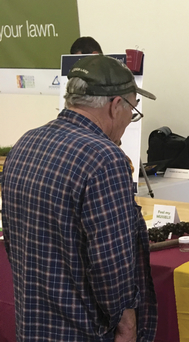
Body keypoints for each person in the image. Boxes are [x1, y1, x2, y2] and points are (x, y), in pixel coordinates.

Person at [2, 55, 158, 341]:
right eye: (132, 110)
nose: (128, 121)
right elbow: (111, 267)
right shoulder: (105, 159)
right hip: (84, 332)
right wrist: (127, 326)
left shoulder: (24, 144)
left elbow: (12, 241)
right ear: (115, 106)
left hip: (32, 326)